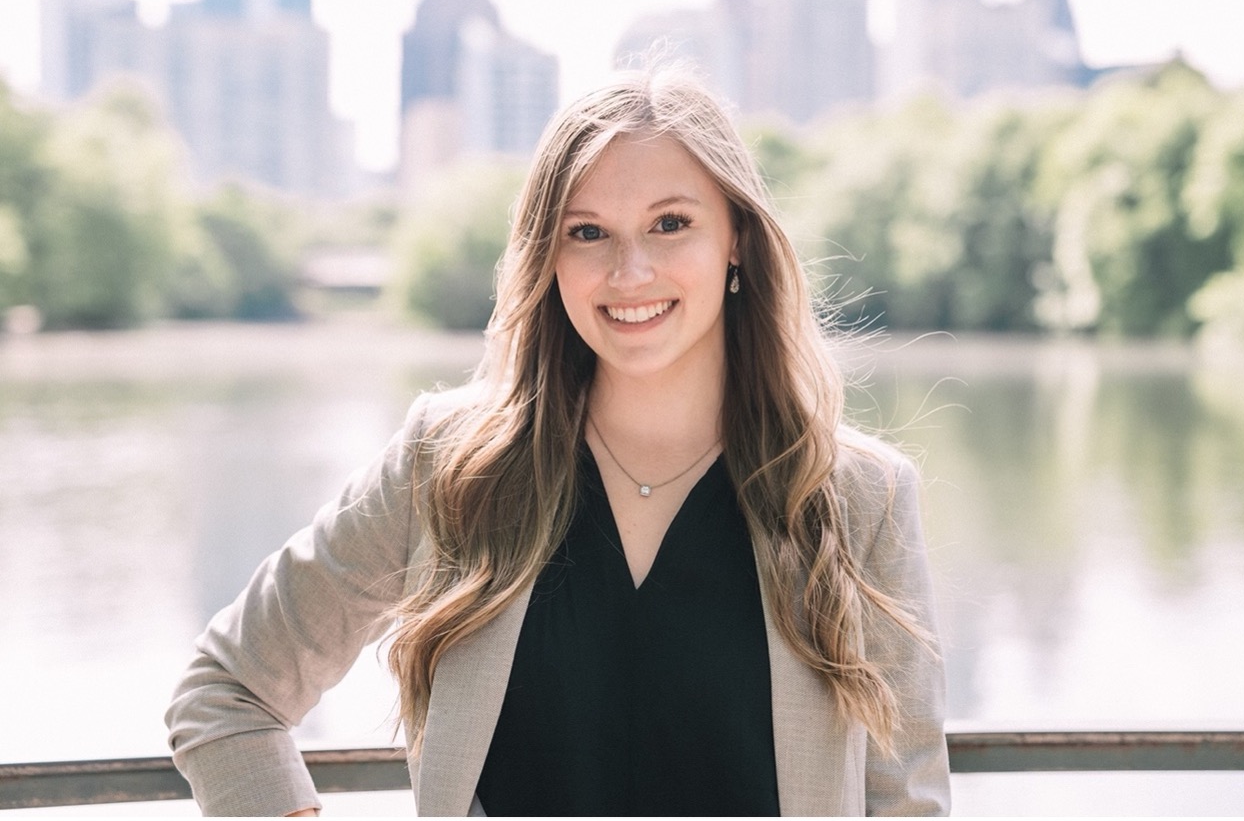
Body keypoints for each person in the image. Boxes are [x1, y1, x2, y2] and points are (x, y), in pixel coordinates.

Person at [166, 67, 949, 817]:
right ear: (548, 254)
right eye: (587, 232)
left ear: (737, 238)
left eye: (670, 223)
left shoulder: (855, 497)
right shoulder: (450, 467)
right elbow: (227, 689)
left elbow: (908, 802)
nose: (629, 269)